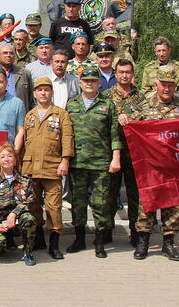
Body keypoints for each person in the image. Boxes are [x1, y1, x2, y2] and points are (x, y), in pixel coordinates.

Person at [132, 66, 179, 261]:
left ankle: (168, 243)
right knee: (147, 204)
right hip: (150, 165)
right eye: (163, 84)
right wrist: (124, 119)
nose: (167, 89)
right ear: (156, 84)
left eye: (170, 85)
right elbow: (132, 126)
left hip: (173, 164)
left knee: (173, 206)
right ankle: (143, 243)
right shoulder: (144, 103)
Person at [65, 68, 121, 258]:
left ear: (99, 84)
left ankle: (99, 241)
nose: (89, 83)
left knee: (100, 203)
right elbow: (66, 135)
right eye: (86, 81)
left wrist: (116, 157)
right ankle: (79, 239)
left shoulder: (107, 104)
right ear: (80, 83)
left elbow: (114, 133)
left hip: (100, 162)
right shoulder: (71, 104)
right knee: (78, 203)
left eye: (93, 81)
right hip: (77, 162)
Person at [22, 76, 74, 259]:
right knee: (33, 205)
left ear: (52, 92)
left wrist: (65, 160)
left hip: (52, 167)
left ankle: (54, 244)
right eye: (39, 90)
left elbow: (67, 139)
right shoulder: (29, 115)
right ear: (35, 94)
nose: (43, 93)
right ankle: (38, 240)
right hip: (31, 167)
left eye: (46, 89)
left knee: (53, 207)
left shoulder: (61, 114)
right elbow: (23, 142)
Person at [0, 144, 37, 266]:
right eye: (3, 157)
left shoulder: (24, 180)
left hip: (16, 221)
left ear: (15, 160)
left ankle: (28, 252)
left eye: (10, 156)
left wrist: (14, 213)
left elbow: (30, 200)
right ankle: (1, 246)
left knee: (29, 219)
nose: (7, 159)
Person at [107, 58, 144, 246]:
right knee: (110, 193)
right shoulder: (106, 96)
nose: (124, 75)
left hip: (134, 153)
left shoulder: (142, 98)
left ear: (133, 74)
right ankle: (107, 231)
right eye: (121, 72)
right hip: (113, 153)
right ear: (115, 73)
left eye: (128, 72)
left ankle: (135, 231)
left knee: (134, 194)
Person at [0, 44, 33, 112]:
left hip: (19, 116)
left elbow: (30, 98)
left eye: (11, 53)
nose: (8, 55)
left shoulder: (25, 73)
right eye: (5, 53)